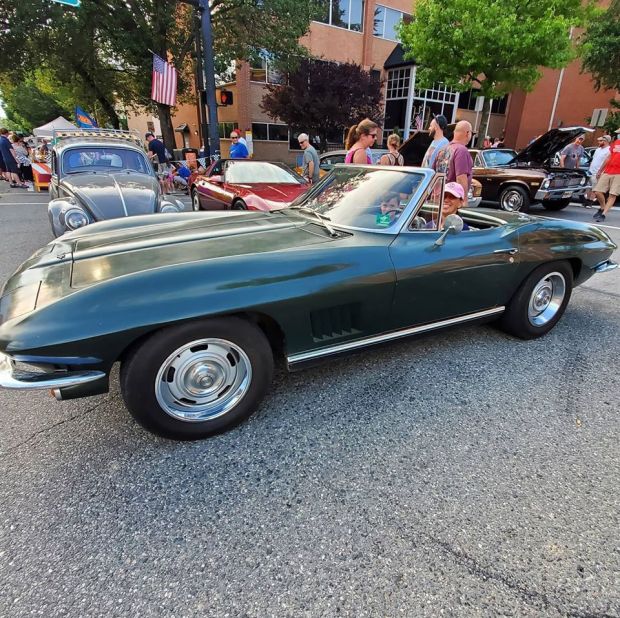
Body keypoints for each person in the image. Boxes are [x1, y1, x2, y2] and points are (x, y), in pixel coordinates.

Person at [432, 120, 473, 206]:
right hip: (451, 201)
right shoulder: (462, 150)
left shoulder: (442, 150)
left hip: (438, 200)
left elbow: (434, 174)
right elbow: (461, 178)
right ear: (468, 133)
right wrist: (463, 201)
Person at [593, 128, 620, 222]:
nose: (618, 134)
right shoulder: (615, 142)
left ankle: (603, 214)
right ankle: (602, 208)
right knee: (597, 191)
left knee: (613, 194)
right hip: (608, 171)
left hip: (618, 173)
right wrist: (600, 170)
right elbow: (609, 157)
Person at [586, 135, 611, 204]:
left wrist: (600, 172)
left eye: (600, 141)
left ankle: (590, 202)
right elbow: (593, 160)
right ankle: (587, 200)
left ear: (606, 141)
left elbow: (607, 162)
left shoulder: (609, 150)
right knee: (589, 186)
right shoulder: (597, 149)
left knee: (595, 188)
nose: (598, 142)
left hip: (598, 172)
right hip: (590, 171)